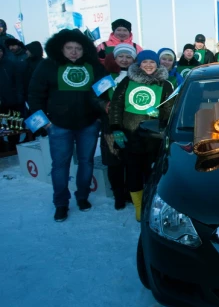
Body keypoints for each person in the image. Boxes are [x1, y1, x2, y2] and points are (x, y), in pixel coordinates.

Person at [29, 29, 106, 222]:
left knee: (86, 162)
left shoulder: (94, 66)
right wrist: (43, 123)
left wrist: (100, 117)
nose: (73, 52)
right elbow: (35, 95)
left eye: (78, 48)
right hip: (58, 126)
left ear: (84, 49)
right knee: (60, 166)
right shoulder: (47, 65)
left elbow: (106, 93)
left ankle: (83, 197)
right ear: (61, 48)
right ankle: (61, 203)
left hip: (88, 124)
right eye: (69, 48)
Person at [109, 50, 174, 222]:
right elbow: (116, 105)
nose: (148, 65)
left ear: (157, 64)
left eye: (152, 62)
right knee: (133, 172)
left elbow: (169, 109)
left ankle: (152, 203)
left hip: (154, 138)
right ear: (138, 64)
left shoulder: (165, 84)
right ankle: (138, 206)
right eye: (145, 62)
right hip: (130, 135)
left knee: (152, 173)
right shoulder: (127, 81)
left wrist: (160, 114)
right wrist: (116, 128)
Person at [99, 45, 136, 210]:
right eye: (121, 56)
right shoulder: (106, 77)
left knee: (131, 161)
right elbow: (94, 98)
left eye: (128, 57)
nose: (124, 60)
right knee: (114, 162)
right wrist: (104, 104)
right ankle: (118, 195)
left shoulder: (137, 77)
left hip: (131, 126)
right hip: (111, 127)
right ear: (114, 58)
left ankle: (131, 192)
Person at [24, 41, 44, 106]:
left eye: (28, 50)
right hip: (28, 94)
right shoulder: (26, 62)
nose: (26, 52)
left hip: (40, 95)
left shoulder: (43, 64)